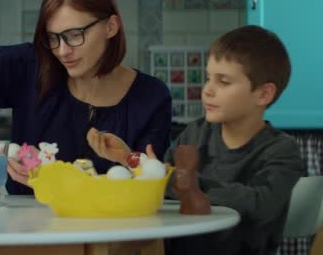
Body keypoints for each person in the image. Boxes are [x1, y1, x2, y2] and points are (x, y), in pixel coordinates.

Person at [0, 0, 172, 195]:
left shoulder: (150, 97)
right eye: (53, 38)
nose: (63, 50)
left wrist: (59, 178)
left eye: (75, 34)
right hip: (29, 232)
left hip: (109, 234)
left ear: (111, 27)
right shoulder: (32, 67)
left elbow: (148, 184)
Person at [89, 25, 304, 255]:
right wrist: (127, 157)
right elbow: (164, 183)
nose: (207, 90)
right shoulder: (196, 133)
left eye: (223, 82)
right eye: (208, 78)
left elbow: (260, 205)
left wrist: (189, 184)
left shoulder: (281, 150)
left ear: (263, 94)